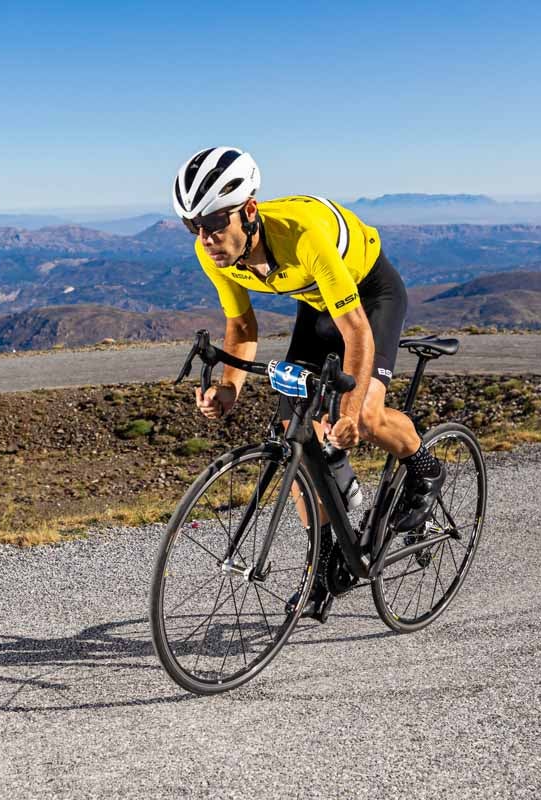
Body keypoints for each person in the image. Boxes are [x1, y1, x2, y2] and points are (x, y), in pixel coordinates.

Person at [173, 145, 445, 613]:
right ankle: (325, 561)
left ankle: (424, 467)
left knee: (364, 411)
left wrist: (351, 412)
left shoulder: (304, 238)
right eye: (193, 226)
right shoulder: (211, 251)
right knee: (293, 435)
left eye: (216, 223)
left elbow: (357, 333)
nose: (206, 238)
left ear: (249, 210)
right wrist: (230, 388)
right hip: (318, 306)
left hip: (369, 297)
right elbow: (241, 330)